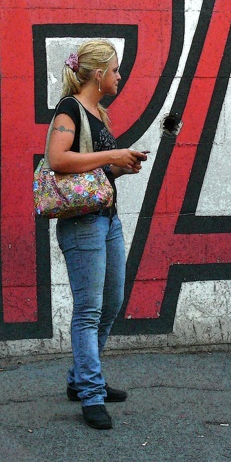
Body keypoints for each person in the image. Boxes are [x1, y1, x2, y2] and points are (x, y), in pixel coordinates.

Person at [48, 40, 148, 430]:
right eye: (116, 70)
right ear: (99, 74)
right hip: (82, 223)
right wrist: (111, 155)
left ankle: (81, 378)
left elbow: (94, 172)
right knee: (88, 311)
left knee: (112, 302)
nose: (120, 77)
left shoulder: (98, 114)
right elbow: (58, 158)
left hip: (107, 219)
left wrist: (122, 165)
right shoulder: (69, 109)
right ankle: (91, 392)